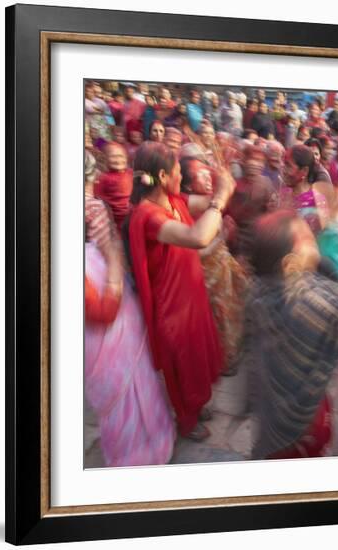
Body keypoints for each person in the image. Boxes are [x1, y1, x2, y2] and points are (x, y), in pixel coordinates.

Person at [126, 142, 235, 440]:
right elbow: (198, 236)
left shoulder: (175, 200)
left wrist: (220, 183)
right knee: (183, 367)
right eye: (177, 171)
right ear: (162, 176)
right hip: (172, 307)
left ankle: (197, 406)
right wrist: (221, 198)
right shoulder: (148, 216)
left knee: (199, 356)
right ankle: (187, 420)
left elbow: (207, 203)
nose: (181, 177)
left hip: (191, 296)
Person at [84, 151, 175, 466]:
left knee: (136, 386)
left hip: (119, 328)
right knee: (125, 392)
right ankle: (135, 458)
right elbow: (103, 312)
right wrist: (112, 261)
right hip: (105, 332)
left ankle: (147, 445)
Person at [244, 210, 338, 459]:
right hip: (304, 422)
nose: (314, 239)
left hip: (270, 413)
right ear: (289, 263)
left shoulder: (258, 292)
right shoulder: (315, 304)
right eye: (307, 238)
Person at [180, 156, 248, 374]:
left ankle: (230, 357)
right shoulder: (186, 210)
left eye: (208, 172)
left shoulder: (209, 202)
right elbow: (194, 253)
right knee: (218, 320)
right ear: (189, 184)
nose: (208, 177)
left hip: (221, 269)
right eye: (201, 174)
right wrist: (222, 237)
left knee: (231, 314)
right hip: (205, 278)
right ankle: (221, 363)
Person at [94, 142, 134, 232]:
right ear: (105, 159)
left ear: (126, 158)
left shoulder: (130, 173)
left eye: (121, 156)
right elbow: (98, 198)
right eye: (113, 156)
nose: (118, 160)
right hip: (116, 223)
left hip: (133, 217)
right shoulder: (103, 178)